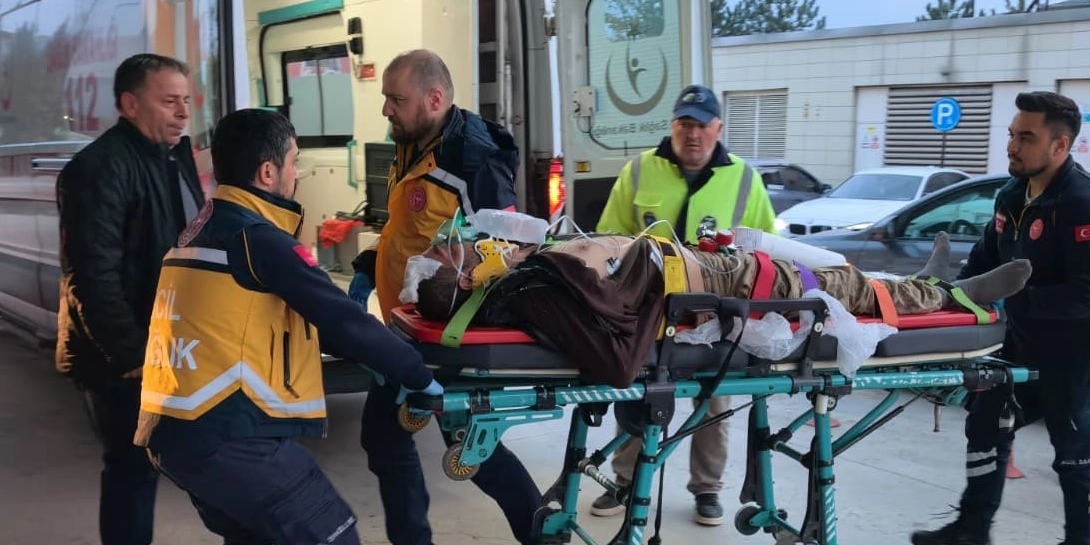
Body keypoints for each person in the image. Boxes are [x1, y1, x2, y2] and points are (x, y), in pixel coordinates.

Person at [138, 109, 440, 545]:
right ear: (267, 171)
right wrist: (415, 373)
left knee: (250, 537)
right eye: (295, 162)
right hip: (230, 434)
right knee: (332, 534)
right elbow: (341, 318)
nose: (297, 175)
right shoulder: (258, 240)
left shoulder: (198, 231)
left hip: (173, 431)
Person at [909, 91, 1090, 545]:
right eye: (1012, 134)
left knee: (1076, 447)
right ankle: (973, 529)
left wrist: (1011, 303)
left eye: (1026, 137)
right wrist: (948, 296)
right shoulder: (1012, 195)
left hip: (1084, 346)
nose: (1012, 145)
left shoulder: (1085, 205)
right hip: (1024, 340)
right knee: (986, 421)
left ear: (1060, 146)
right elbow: (985, 264)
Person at [346, 49, 544, 545]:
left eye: (396, 99)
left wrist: (459, 334)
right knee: (382, 435)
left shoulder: (474, 160)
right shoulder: (414, 142)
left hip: (448, 335)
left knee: (472, 449)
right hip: (403, 330)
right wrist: (368, 267)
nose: (386, 109)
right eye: (386, 97)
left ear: (435, 99)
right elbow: (412, 229)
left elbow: (505, 251)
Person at [55, 54, 205, 545]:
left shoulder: (173, 157)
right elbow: (93, 278)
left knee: (146, 465)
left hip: (166, 344)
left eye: (186, 100)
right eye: (169, 100)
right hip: (121, 353)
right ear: (129, 103)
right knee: (128, 465)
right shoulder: (98, 169)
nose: (183, 111)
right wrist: (133, 359)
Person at [589, 84, 778, 526]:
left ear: (718, 129)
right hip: (649, 308)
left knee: (714, 401)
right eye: (684, 124)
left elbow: (767, 248)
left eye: (702, 126)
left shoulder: (744, 179)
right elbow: (609, 237)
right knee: (639, 393)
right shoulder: (640, 170)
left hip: (717, 311)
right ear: (673, 126)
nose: (693, 134)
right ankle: (625, 481)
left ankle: (706, 489)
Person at [411, 230, 1032, 327]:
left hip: (703, 266)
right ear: (467, 281)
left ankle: (920, 284)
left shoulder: (524, 274)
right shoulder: (531, 285)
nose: (461, 245)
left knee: (831, 272)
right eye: (454, 253)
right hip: (719, 285)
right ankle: (951, 295)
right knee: (838, 289)